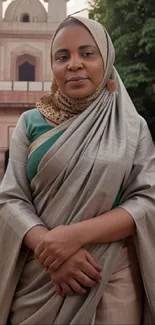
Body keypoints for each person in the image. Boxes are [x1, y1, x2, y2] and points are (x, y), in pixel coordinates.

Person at [0, 15, 155, 325]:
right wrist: (51, 251)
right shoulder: (30, 123)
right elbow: (11, 199)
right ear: (53, 67)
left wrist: (71, 238)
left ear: (106, 59)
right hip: (39, 277)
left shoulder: (132, 127)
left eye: (87, 53)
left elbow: (147, 201)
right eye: (62, 56)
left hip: (110, 276)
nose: (73, 64)